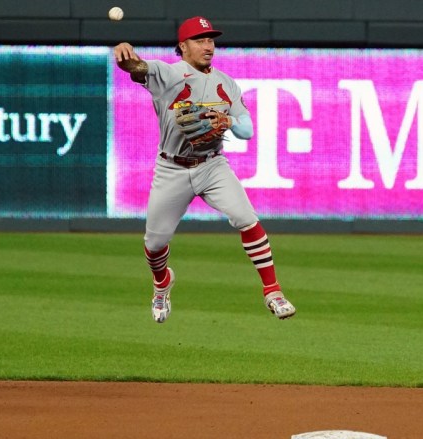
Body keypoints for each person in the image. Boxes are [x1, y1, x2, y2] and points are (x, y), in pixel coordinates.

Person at [113, 16, 295, 323]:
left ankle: (273, 292)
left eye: (210, 39)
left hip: (212, 165)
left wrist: (230, 122)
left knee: (246, 219)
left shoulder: (227, 83)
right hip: (172, 168)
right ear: (183, 47)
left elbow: (247, 131)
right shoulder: (169, 73)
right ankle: (162, 284)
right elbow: (137, 68)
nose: (208, 45)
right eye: (200, 40)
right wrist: (125, 54)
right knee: (154, 243)